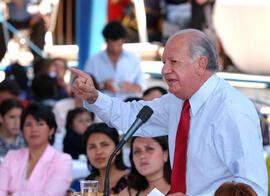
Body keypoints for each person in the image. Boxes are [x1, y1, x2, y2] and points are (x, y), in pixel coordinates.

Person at [70, 29, 267, 195]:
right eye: (164, 62)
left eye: (173, 62)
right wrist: (94, 97)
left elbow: (251, 188)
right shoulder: (177, 102)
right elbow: (132, 116)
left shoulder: (232, 110)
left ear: (201, 64)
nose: (164, 70)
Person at [0, 103, 72, 195]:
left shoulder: (62, 160)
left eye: (40, 124)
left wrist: (13, 194)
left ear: (51, 130)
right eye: (28, 125)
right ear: (22, 130)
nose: (34, 129)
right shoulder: (11, 156)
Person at [84, 20, 146, 101]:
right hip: (102, 108)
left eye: (119, 45)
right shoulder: (93, 60)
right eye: (111, 45)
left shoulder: (134, 58)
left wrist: (130, 87)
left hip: (128, 106)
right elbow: (84, 87)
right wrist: (103, 85)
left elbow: (142, 86)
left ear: (124, 41)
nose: (115, 49)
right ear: (106, 41)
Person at [69, 123, 128, 194]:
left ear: (118, 149)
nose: (98, 152)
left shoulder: (134, 184)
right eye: (92, 147)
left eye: (104, 145)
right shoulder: (80, 185)